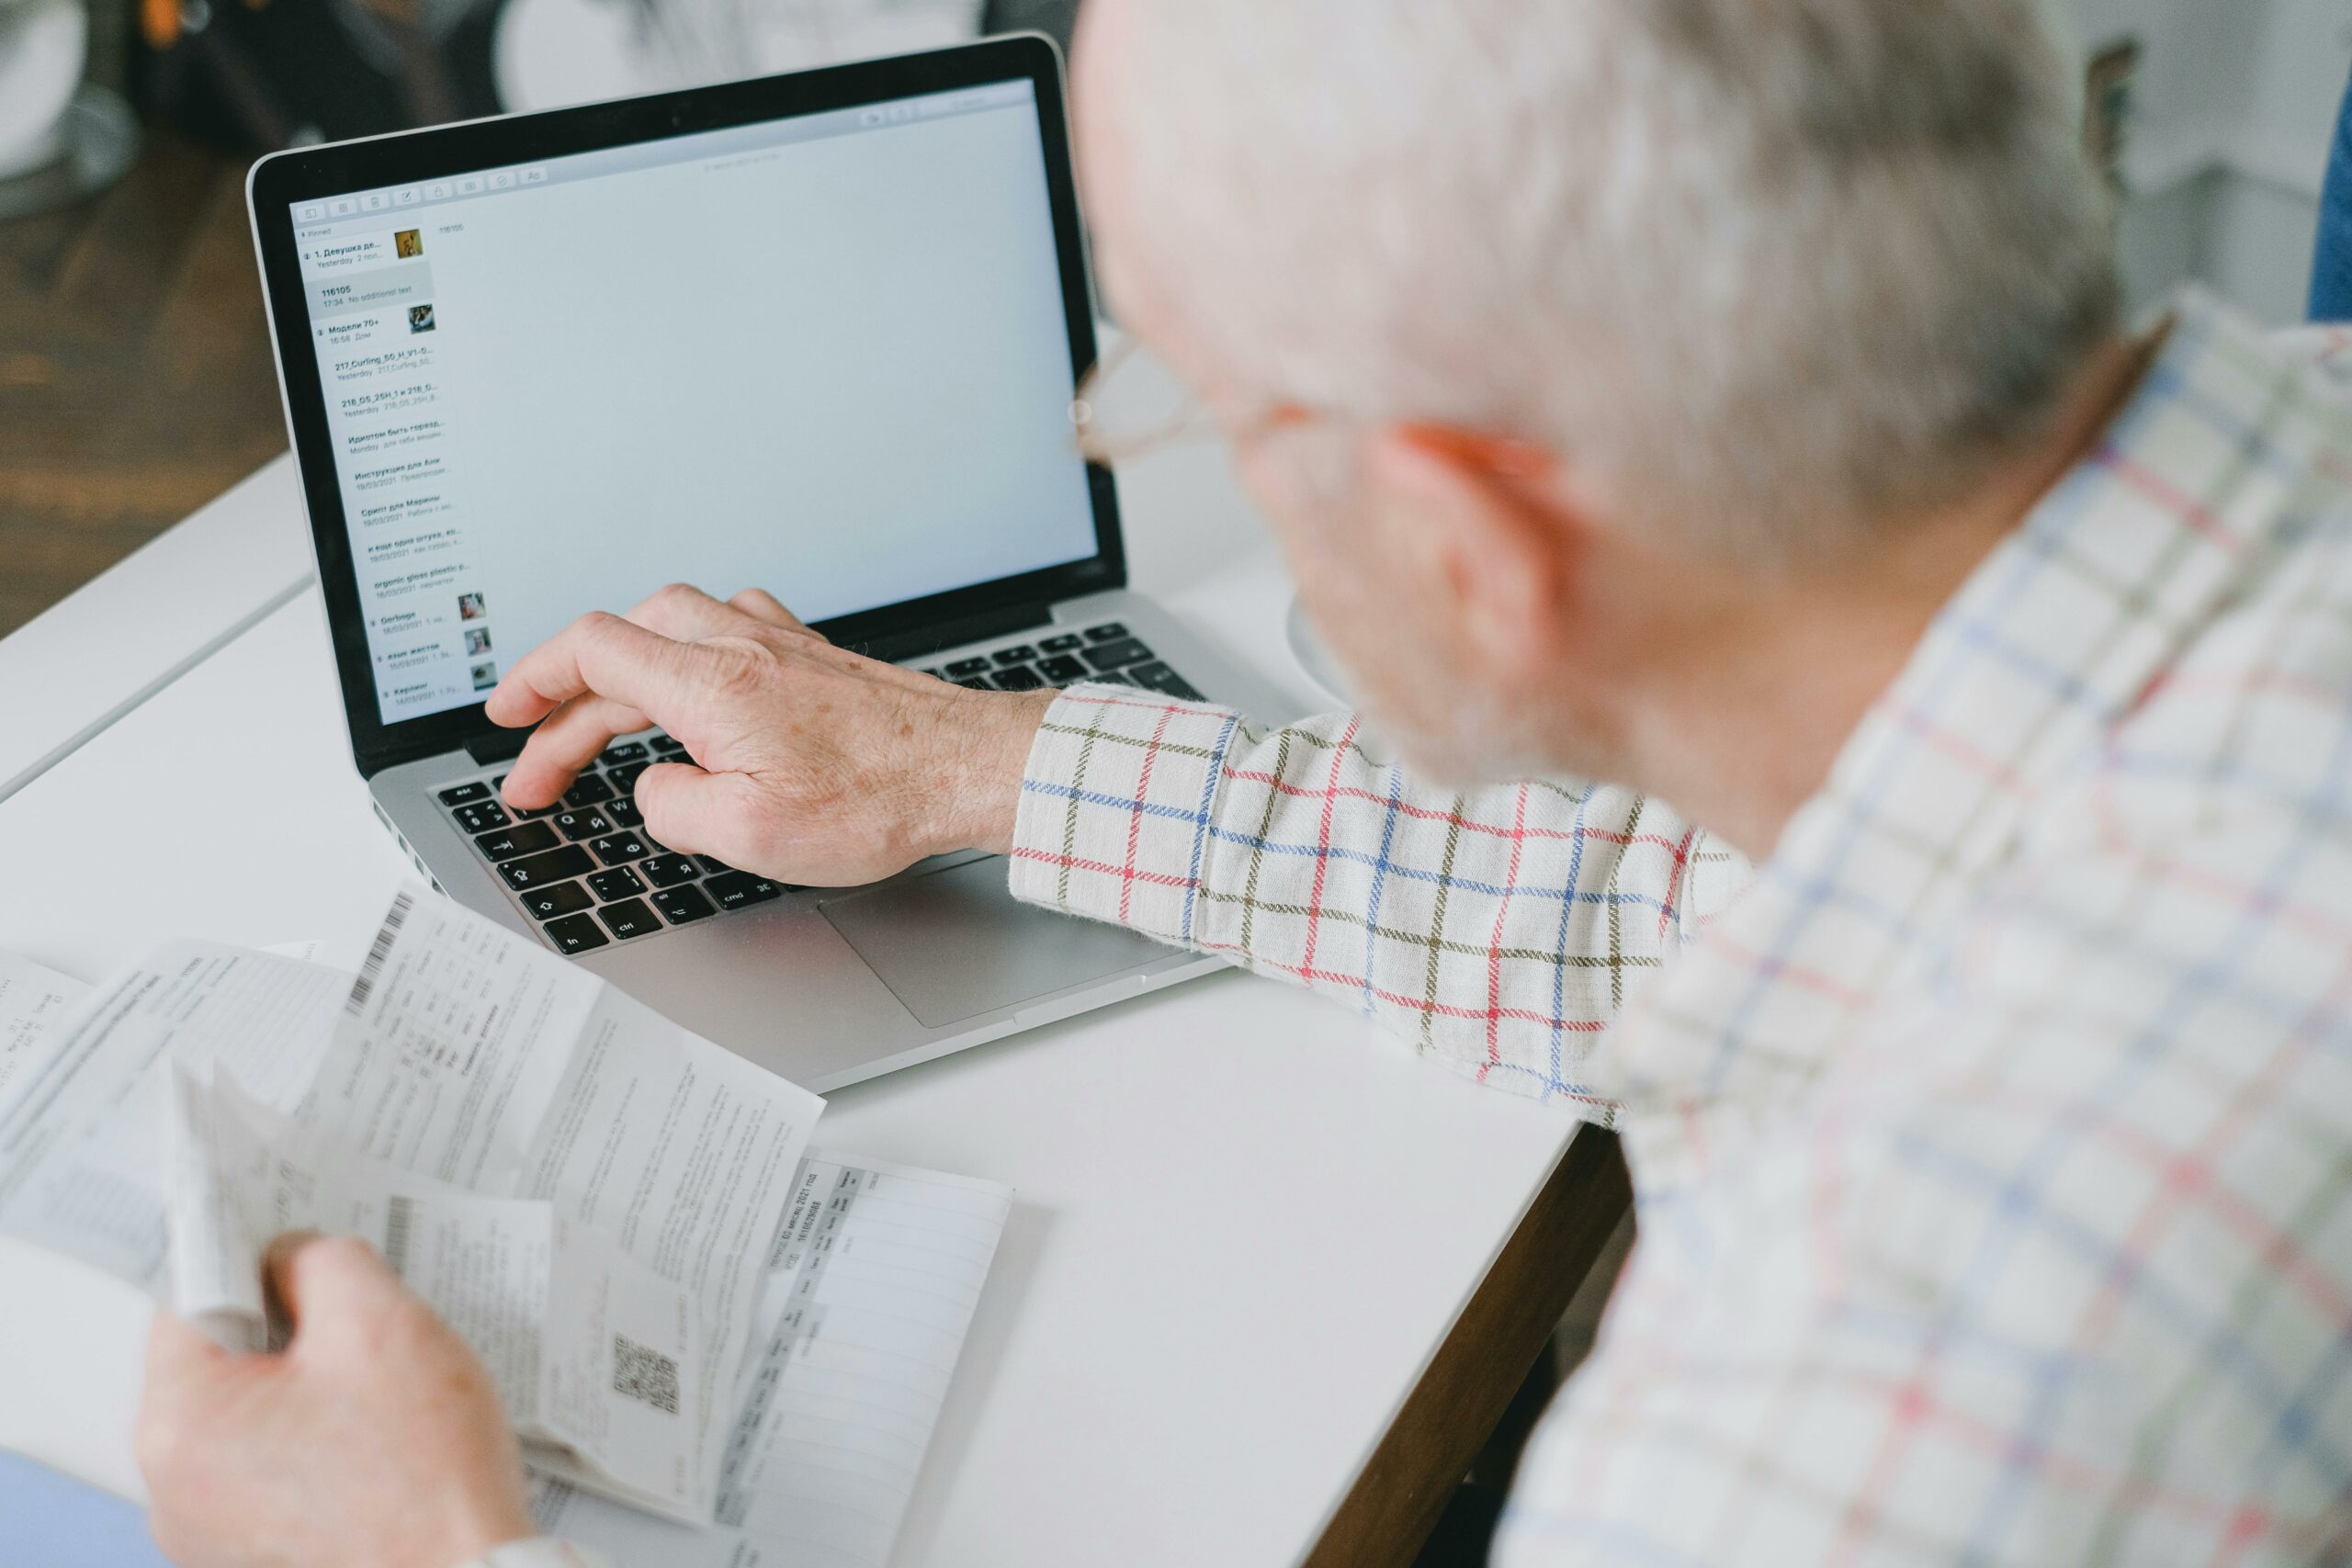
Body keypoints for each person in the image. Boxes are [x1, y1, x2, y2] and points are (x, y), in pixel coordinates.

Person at [137, 2, 2352, 1564]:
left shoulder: (1853, 1400)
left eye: (1196, 402)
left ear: (1478, 548)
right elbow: (1698, 898)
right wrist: (976, 756)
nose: (1162, 444)